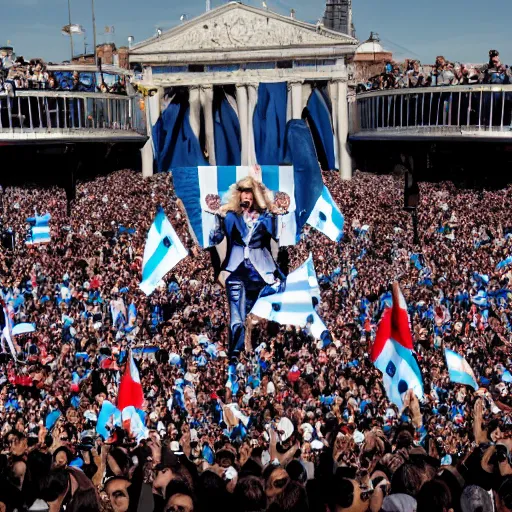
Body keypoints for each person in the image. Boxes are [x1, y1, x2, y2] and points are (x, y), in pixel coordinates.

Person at [208, 176, 287, 357]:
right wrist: (216, 219)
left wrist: (267, 205)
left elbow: (277, 234)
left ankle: (260, 349)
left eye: (251, 194)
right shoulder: (230, 217)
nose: (247, 198)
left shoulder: (266, 217)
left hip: (261, 272)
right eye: (244, 193)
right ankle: (235, 353)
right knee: (236, 316)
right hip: (236, 270)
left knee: (257, 315)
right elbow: (215, 238)